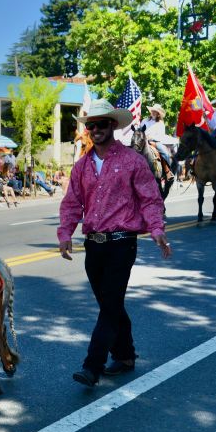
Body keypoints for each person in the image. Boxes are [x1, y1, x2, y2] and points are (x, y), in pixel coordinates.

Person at [58, 99, 172, 388]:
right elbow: (72, 203)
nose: (95, 129)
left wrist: (157, 228)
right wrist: (65, 233)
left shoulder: (132, 160)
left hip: (122, 243)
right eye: (91, 125)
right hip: (93, 246)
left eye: (101, 124)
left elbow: (149, 198)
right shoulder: (82, 166)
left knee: (109, 305)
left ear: (113, 125)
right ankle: (125, 355)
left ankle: (91, 366)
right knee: (111, 304)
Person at [140, 104, 174, 174]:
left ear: (158, 114)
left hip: (155, 142)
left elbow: (161, 136)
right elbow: (140, 130)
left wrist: (150, 137)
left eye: (155, 111)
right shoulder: (145, 120)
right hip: (143, 141)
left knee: (165, 152)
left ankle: (167, 171)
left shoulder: (160, 123)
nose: (153, 112)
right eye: (152, 111)